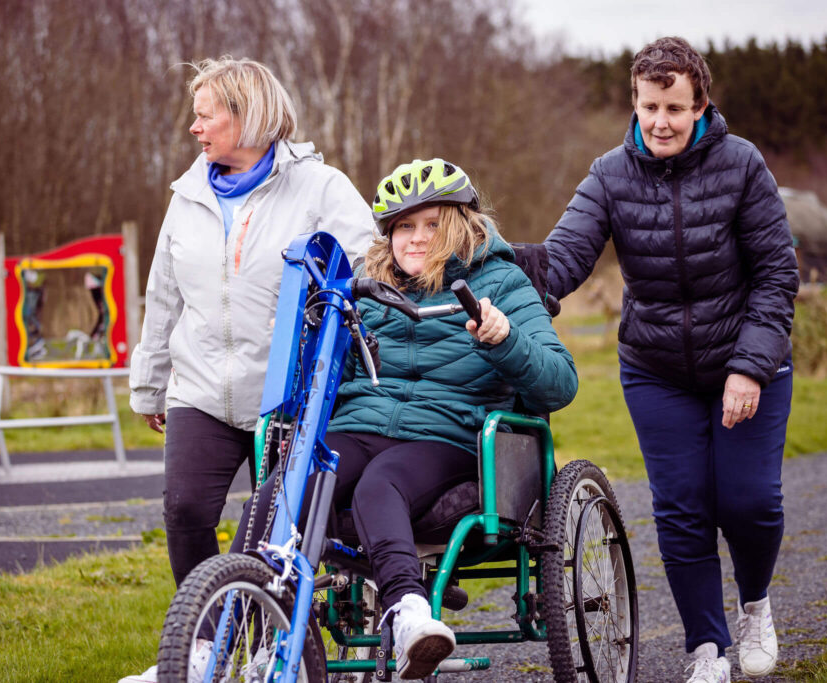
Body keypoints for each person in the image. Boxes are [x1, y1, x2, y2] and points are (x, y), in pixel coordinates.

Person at [212, 158, 578, 680]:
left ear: (461, 224)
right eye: (404, 226)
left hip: (447, 435)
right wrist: (301, 339)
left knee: (379, 484)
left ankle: (409, 614)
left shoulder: (504, 281)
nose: (416, 238)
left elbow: (561, 384)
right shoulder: (365, 286)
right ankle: (214, 643)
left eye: (432, 224)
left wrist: (505, 339)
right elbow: (323, 379)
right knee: (280, 491)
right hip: (360, 429)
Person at [542, 37, 799, 683]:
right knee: (681, 506)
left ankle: (755, 606)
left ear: (700, 105)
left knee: (748, 501)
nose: (660, 121)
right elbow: (564, 257)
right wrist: (488, 264)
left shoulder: (742, 164)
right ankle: (707, 648)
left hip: (747, 359)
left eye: (675, 108)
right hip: (656, 368)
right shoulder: (609, 173)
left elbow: (776, 273)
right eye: (650, 105)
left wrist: (748, 365)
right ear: (635, 102)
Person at [121, 56, 375, 683]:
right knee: (184, 511)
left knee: (265, 530)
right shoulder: (187, 198)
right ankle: (202, 646)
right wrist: (150, 383)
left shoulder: (319, 187)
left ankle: (266, 643)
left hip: (285, 395)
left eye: (205, 115)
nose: (195, 129)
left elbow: (367, 266)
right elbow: (164, 297)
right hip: (201, 389)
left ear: (247, 114)